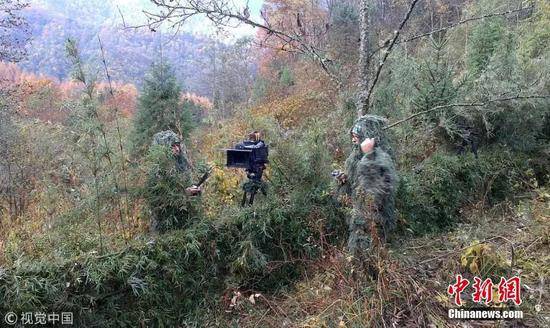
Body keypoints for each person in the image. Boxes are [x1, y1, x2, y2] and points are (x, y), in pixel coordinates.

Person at [335, 115, 397, 256]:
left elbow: (378, 190)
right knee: (359, 250)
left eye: (356, 136)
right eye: (352, 136)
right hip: (359, 214)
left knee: (371, 251)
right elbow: (356, 184)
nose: (353, 139)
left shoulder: (381, 157)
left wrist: (369, 155)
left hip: (375, 218)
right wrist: (344, 179)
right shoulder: (354, 158)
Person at [147, 130, 201, 232]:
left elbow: (186, 184)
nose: (177, 149)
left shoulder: (181, 164)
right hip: (165, 225)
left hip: (184, 220)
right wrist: (184, 193)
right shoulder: (157, 171)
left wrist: (195, 188)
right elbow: (160, 200)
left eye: (178, 145)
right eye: (173, 146)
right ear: (163, 148)